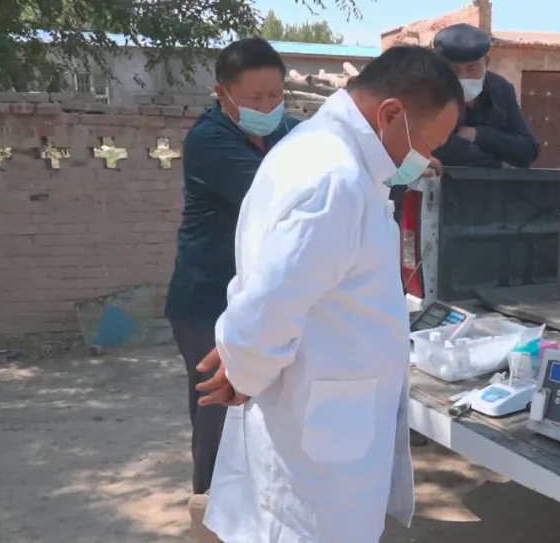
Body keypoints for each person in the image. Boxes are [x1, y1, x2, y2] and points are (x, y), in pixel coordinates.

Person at [194, 44, 464, 543]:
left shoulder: (322, 153)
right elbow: (271, 303)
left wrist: (244, 358)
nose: (427, 158)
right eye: (429, 142)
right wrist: (244, 367)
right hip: (317, 441)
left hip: (324, 417)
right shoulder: (335, 179)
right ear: (391, 114)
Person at [162, 37, 300, 539]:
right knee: (218, 415)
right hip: (206, 302)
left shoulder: (288, 130)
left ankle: (261, 520)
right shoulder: (209, 141)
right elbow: (282, 194)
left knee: (265, 417)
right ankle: (210, 520)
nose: (267, 107)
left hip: (257, 300)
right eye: (254, 98)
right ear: (222, 94)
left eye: (275, 95)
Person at [430, 23, 540, 168]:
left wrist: (479, 135)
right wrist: (498, 163)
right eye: (454, 70)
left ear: (486, 63)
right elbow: (435, 147)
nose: (464, 77)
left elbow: (528, 150)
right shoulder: (429, 91)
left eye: (472, 69)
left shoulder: (501, 89)